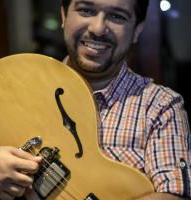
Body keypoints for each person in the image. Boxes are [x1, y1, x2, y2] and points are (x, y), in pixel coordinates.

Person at [60, 0, 191, 199]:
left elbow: (173, 195)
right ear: (64, 16)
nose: (98, 28)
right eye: (86, 10)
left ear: (137, 30)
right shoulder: (21, 85)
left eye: (117, 16)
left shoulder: (161, 106)